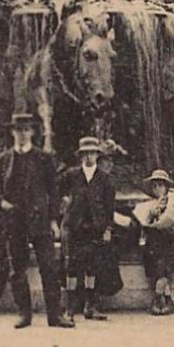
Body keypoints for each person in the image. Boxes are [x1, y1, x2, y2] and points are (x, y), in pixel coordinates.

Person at [0, 112, 72, 329]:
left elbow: (53, 191)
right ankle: (24, 314)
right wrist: (2, 203)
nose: (22, 134)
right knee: (17, 269)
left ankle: (55, 316)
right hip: (14, 222)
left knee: (49, 267)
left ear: (32, 132)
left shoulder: (44, 158)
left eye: (26, 130)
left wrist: (54, 220)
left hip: (40, 221)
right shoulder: (4, 159)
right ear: (12, 132)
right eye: (18, 130)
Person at [59, 136, 119, 321]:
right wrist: (64, 202)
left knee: (92, 268)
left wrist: (107, 229)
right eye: (85, 153)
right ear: (81, 156)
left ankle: (90, 307)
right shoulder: (71, 175)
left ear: (97, 155)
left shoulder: (105, 179)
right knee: (71, 267)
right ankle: (70, 309)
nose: (89, 157)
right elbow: (56, 191)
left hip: (95, 228)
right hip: (74, 227)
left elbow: (110, 207)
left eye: (92, 153)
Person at [135, 170, 174, 315]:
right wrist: (151, 216)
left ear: (166, 187)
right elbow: (144, 225)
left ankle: (157, 299)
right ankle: (167, 299)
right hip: (155, 244)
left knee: (164, 269)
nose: (157, 189)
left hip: (171, 242)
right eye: (154, 186)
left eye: (160, 185)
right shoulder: (149, 206)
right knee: (160, 269)